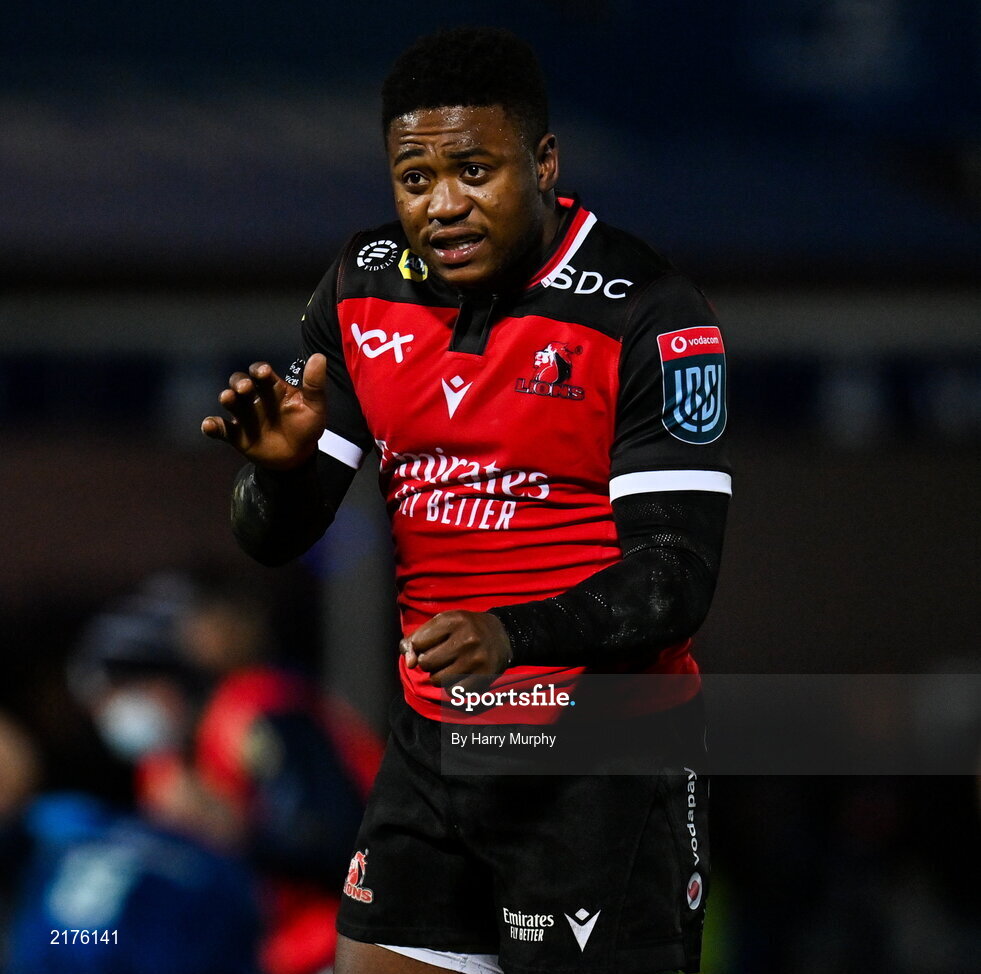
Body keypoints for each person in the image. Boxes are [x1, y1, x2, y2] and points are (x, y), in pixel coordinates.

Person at [202, 26, 730, 974]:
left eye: (474, 170)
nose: (443, 205)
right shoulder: (362, 292)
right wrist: (278, 473)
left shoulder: (648, 311)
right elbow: (275, 539)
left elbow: (674, 579)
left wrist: (509, 633)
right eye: (414, 179)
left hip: (598, 770)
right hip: (433, 750)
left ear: (543, 161)